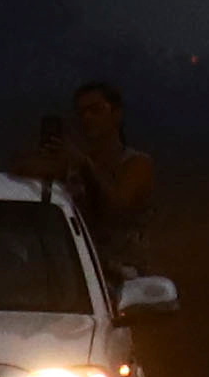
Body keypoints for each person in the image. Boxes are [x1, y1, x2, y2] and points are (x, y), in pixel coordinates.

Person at [21, 77, 158, 254]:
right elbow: (23, 174)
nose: (87, 118)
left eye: (96, 110)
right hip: (78, 265)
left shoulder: (136, 164)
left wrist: (86, 166)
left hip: (123, 270)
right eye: (81, 112)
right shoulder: (73, 164)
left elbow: (116, 211)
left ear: (116, 114)